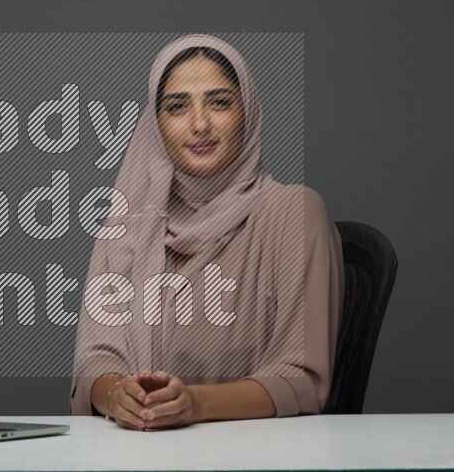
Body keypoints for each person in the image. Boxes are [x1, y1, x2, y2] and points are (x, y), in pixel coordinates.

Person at [69, 34, 344, 430]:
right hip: (140, 452)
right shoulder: (130, 226)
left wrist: (194, 405)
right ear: (156, 125)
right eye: (177, 107)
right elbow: (96, 359)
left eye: (220, 102)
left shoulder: (293, 213)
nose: (200, 124)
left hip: (253, 452)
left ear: (247, 112)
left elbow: (301, 377)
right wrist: (116, 396)